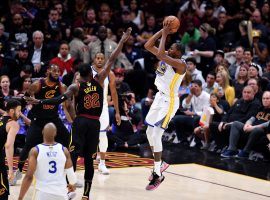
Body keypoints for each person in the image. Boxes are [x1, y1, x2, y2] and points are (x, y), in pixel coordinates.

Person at [25, 27, 131, 200]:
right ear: (91, 73)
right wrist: (122, 40)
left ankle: (69, 187)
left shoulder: (76, 86)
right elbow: (112, 58)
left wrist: (40, 102)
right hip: (94, 123)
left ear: (81, 75)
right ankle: (86, 195)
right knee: (89, 159)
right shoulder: (100, 78)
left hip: (81, 123)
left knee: (73, 154)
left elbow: (59, 99)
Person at [144, 21, 186, 190]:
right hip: (158, 99)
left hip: (169, 102)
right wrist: (162, 31)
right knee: (148, 132)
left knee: (156, 135)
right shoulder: (165, 56)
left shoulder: (181, 64)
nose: (170, 49)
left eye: (173, 49)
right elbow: (148, 45)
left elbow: (161, 54)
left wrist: (165, 35)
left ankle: (157, 175)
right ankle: (160, 163)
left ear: (180, 53)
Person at [15, 64, 71, 183]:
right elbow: (26, 97)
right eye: (54, 71)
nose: (57, 73)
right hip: (38, 120)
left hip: (54, 120)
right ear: (48, 71)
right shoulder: (37, 84)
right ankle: (18, 171)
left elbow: (65, 102)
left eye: (59, 71)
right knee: (28, 145)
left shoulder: (61, 86)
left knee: (67, 139)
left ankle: (68, 175)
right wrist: (20, 108)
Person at [18, 123, 77, 200]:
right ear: (55, 133)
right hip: (61, 194)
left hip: (42, 194)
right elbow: (71, 176)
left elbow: (29, 177)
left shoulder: (35, 151)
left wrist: (20, 197)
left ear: (42, 132)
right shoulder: (64, 150)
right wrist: (72, 185)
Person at [91, 52, 121, 175]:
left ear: (105, 60)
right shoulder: (88, 72)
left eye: (102, 58)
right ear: (94, 59)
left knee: (103, 135)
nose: (99, 60)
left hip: (102, 108)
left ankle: (102, 163)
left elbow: (113, 93)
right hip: (89, 107)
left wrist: (117, 112)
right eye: (97, 58)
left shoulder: (110, 73)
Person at [0, 99, 21, 199]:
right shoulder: (13, 124)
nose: (20, 113)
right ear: (12, 111)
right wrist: (11, 170)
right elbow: (8, 146)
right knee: (3, 194)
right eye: (19, 111)